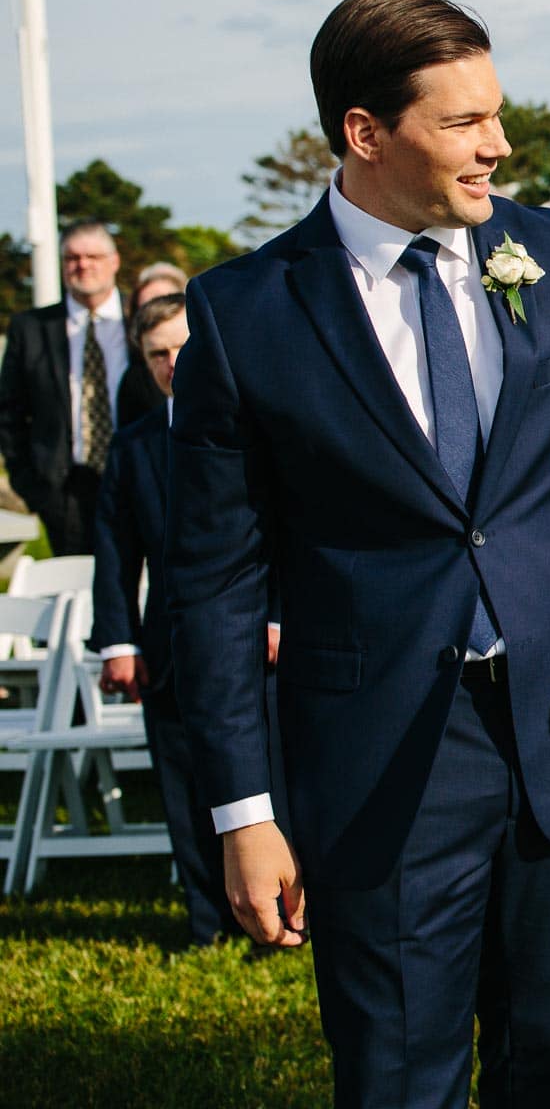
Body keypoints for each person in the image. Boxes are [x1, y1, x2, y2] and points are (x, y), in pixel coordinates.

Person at [165, 0, 550, 1108]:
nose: (498, 146)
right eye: (464, 123)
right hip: (377, 755)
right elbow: (213, 585)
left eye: (497, 115)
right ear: (364, 133)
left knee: (548, 1064)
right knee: (396, 1075)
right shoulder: (245, 313)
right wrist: (244, 814)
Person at [90, 292, 284, 946]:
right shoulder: (136, 445)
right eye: (158, 355)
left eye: (183, 347)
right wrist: (117, 641)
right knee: (181, 780)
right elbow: (115, 549)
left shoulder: (258, 423)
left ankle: (288, 915)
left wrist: (281, 617)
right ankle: (208, 923)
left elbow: (292, 533)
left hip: (260, 635)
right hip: (169, 642)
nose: (174, 363)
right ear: (143, 364)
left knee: (271, 780)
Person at [0, 222, 163, 554]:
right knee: (81, 588)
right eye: (72, 257)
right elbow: (9, 414)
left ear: (114, 261)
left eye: (93, 256)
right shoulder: (30, 329)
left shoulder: (144, 321)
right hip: (67, 491)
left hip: (142, 478)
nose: (83, 265)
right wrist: (33, 489)